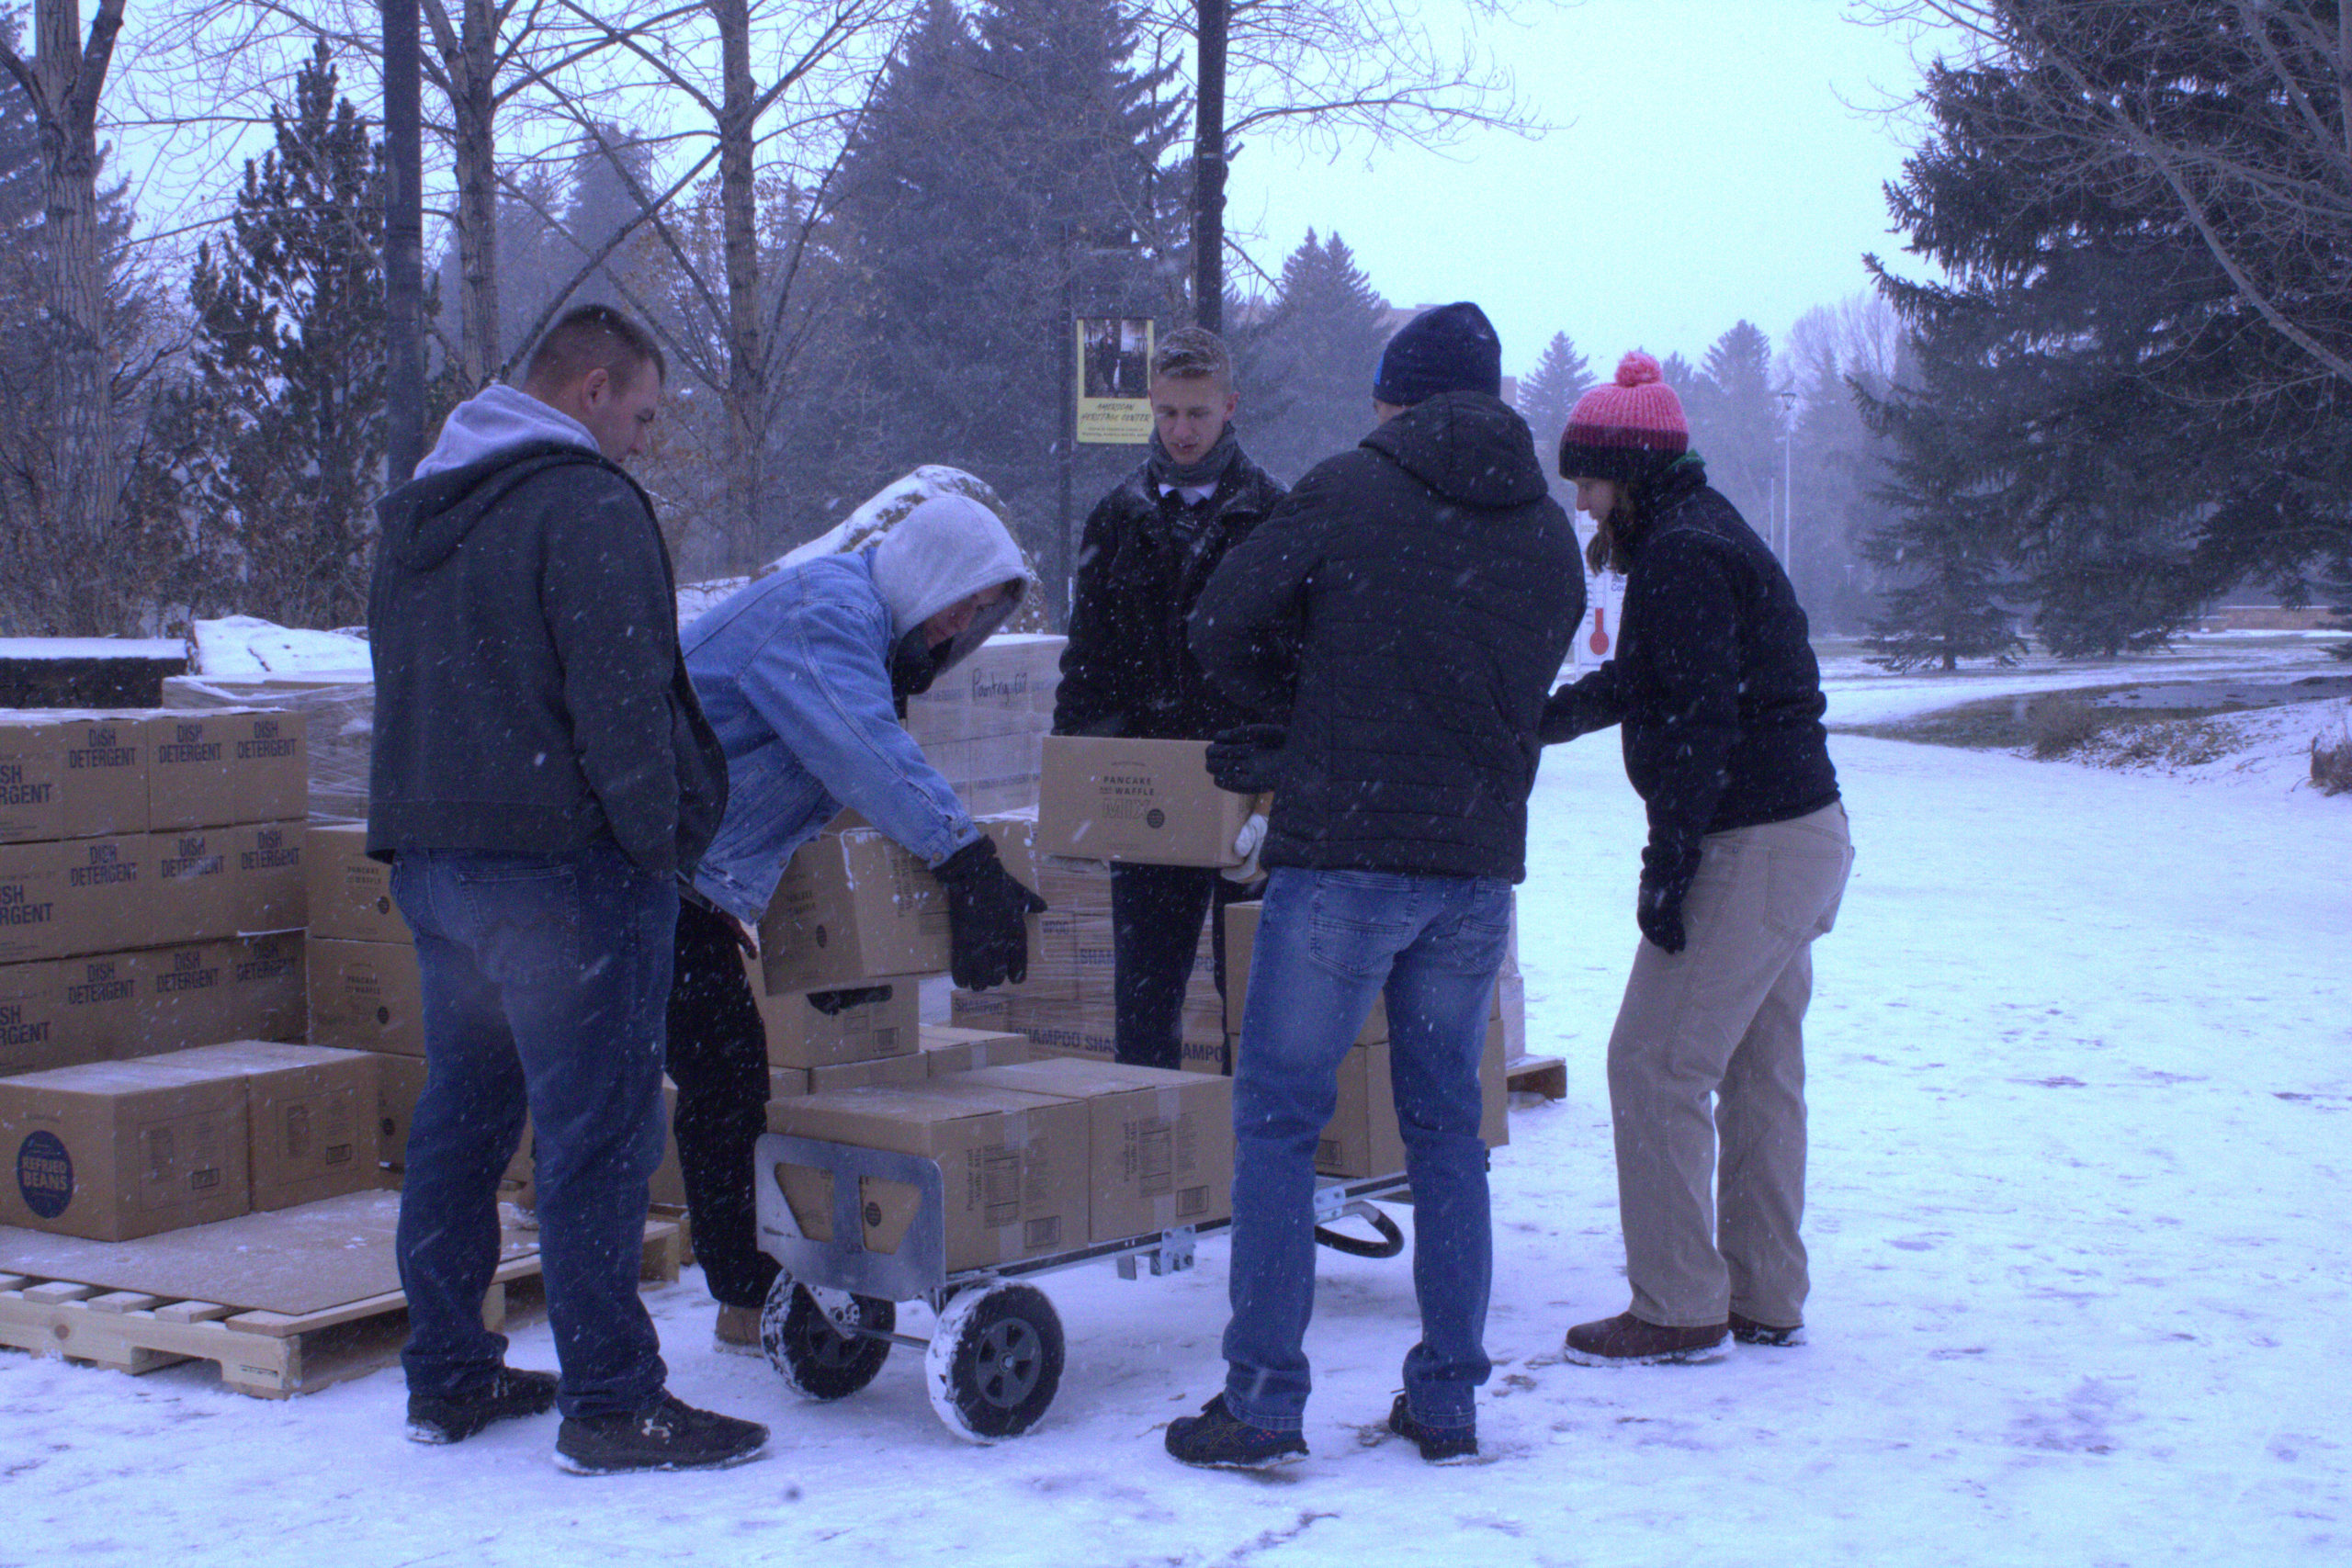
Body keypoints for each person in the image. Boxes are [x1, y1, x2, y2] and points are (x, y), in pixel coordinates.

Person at [1166, 302, 1585, 1469]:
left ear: (1397, 398)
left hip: (1343, 857)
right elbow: (1522, 689)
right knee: (1449, 1134)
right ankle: (1446, 1400)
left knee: (1278, 1123)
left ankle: (1260, 1401)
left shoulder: (1349, 491)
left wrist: (1293, 725)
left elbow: (1220, 621)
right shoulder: (1546, 533)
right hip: (1471, 876)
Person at [368, 304, 769, 1473]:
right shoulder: (581, 502)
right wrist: (665, 848)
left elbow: (411, 685)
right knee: (597, 1133)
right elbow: (624, 701)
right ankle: (612, 1400)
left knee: (462, 1118)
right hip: (562, 868)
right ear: (591, 388)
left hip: (439, 863)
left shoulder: (424, 509)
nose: (642, 440)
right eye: (641, 414)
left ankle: (446, 1372)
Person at [669, 492, 1046, 1353]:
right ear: (922, 576)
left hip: (685, 877)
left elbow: (825, 806)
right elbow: (859, 749)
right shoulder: (826, 613)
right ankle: (743, 1299)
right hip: (638, 871)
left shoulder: (856, 634)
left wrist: (849, 949)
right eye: (956, 602)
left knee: (721, 1076)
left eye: (974, 619)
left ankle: (744, 1295)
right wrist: (967, 860)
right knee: (715, 1082)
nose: (955, 629)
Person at [1541, 351, 1853, 1365]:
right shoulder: (1700, 534)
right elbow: (1645, 683)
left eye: (1588, 481)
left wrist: (1668, 862)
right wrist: (1531, 721)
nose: (1584, 505)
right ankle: (1764, 1293)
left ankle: (1678, 1304)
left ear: (1626, 472)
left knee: (1653, 1064)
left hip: (1748, 843)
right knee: (1757, 1068)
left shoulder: (1681, 553)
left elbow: (1699, 724)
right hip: (1798, 838)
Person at [1055, 326, 1288, 1071]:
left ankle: (1241, 1160)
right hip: (1147, 783)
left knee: (1249, 996)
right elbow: (1087, 661)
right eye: (1168, 415)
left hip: (1245, 785)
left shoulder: (1274, 515)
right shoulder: (1116, 518)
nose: (1182, 432)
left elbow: (1297, 660)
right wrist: (1078, 777)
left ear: (1231, 407)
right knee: (1144, 1002)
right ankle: (1150, 1150)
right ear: (1150, 406)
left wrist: (1285, 764)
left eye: (1199, 413)